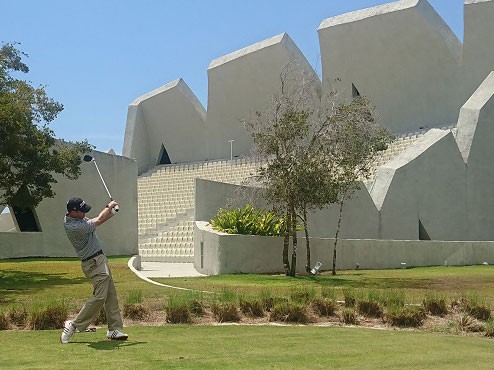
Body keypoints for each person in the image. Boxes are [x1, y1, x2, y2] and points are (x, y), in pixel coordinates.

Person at [60, 197, 128, 344]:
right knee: (100, 297)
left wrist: (112, 211)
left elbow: (99, 218)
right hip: (93, 263)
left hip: (99, 259)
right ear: (73, 212)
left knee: (110, 296)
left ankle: (114, 330)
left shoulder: (78, 218)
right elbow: (98, 221)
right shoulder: (74, 227)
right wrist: (109, 206)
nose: (85, 213)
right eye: (82, 211)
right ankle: (74, 325)